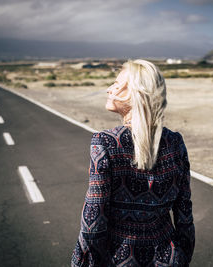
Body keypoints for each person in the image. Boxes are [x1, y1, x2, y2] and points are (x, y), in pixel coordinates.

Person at [71, 59, 195, 266]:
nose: (109, 89)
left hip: (118, 257)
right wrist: (183, 254)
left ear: (135, 94)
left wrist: (82, 261)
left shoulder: (105, 142)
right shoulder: (175, 142)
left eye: (117, 85)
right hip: (169, 256)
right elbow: (184, 212)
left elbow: (94, 217)